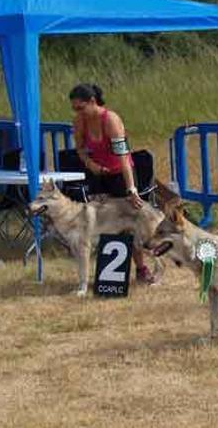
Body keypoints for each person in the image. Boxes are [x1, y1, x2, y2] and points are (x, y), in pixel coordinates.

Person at [69, 83, 157, 285]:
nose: (77, 112)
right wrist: (90, 164)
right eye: (74, 109)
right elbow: (80, 149)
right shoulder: (79, 121)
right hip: (98, 175)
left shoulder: (111, 120)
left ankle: (141, 268)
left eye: (80, 107)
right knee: (103, 223)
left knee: (128, 223)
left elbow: (124, 157)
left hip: (121, 174)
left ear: (92, 102)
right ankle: (109, 275)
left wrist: (131, 189)